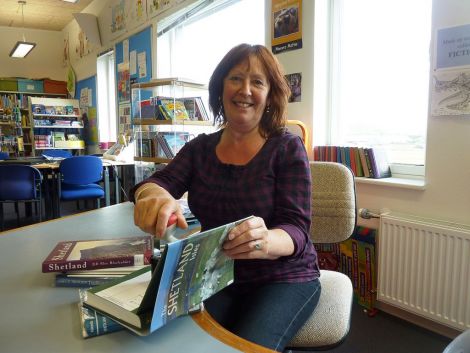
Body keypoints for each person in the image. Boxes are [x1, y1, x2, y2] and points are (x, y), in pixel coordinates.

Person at [130, 43, 321, 352]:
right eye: (236, 78)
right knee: (176, 342)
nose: (245, 89)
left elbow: (297, 230)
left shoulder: (287, 147)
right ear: (221, 87)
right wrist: (153, 196)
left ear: (270, 95)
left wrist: (266, 240)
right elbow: (158, 182)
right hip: (218, 274)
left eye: (257, 82)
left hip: (283, 277)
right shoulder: (200, 149)